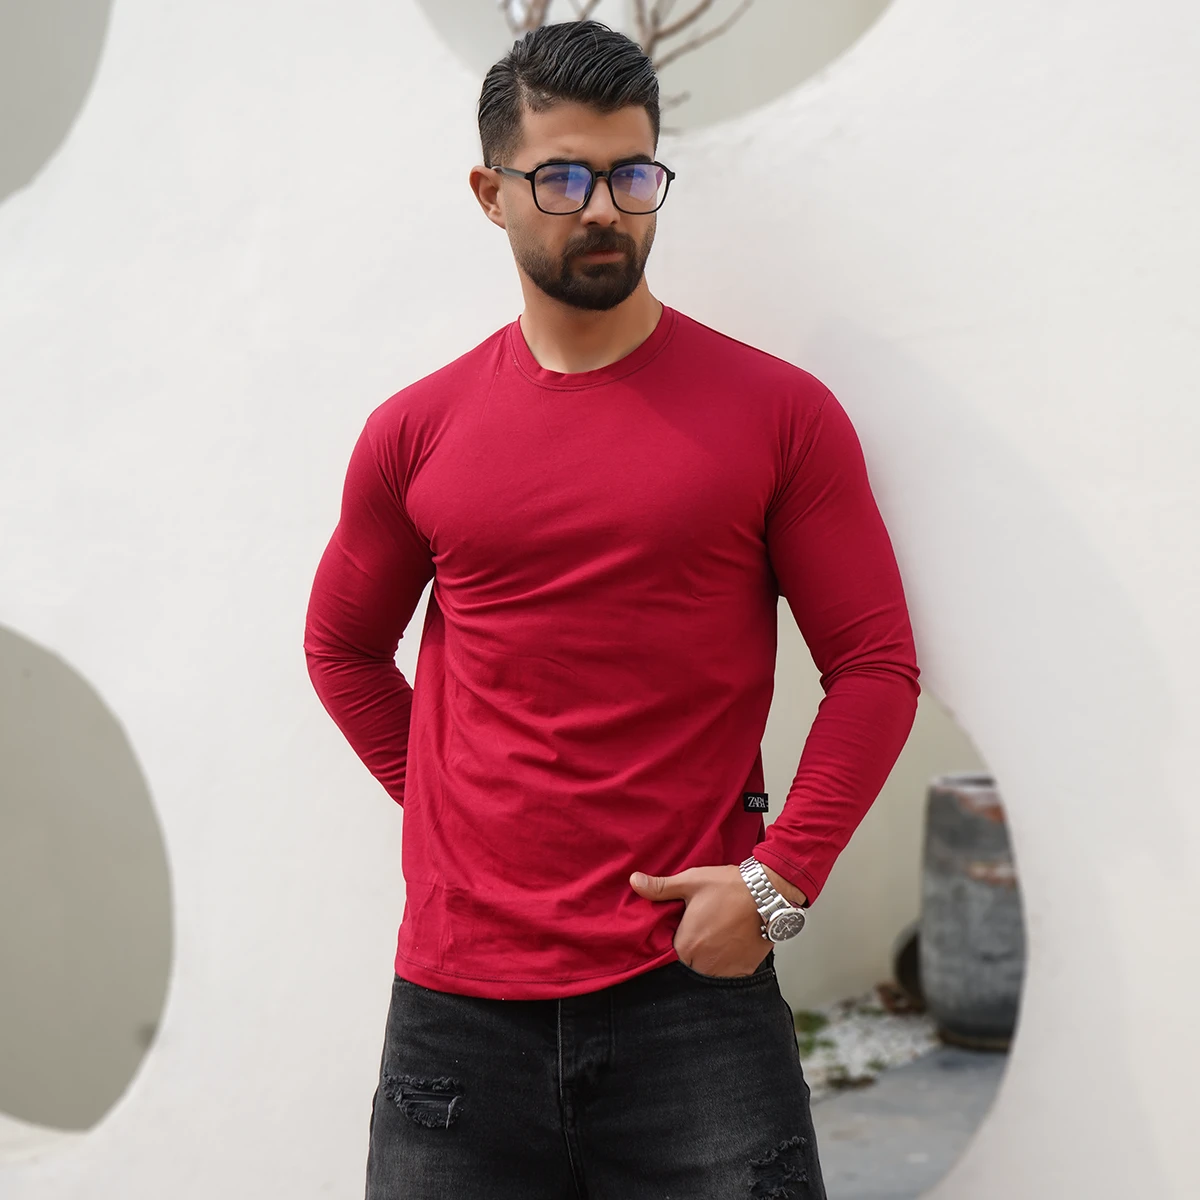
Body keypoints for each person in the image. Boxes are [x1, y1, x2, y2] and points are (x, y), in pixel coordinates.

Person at [303, 19, 920, 1200]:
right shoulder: (417, 431)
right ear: (491, 193)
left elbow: (875, 666)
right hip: (458, 1010)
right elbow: (341, 648)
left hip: (692, 1001)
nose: (603, 209)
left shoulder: (778, 414)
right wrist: (453, 811)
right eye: (563, 178)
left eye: (632, 176)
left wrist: (778, 881)